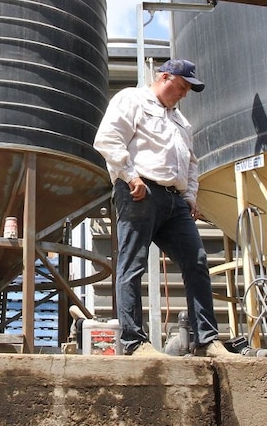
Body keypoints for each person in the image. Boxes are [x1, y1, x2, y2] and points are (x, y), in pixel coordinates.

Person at [93, 58, 234, 358]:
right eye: (181, 87)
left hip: (175, 200)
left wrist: (191, 196)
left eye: (187, 90)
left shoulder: (181, 122)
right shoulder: (132, 99)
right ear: (165, 77)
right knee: (132, 263)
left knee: (196, 261)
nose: (183, 94)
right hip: (140, 190)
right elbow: (108, 138)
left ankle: (206, 340)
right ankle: (134, 343)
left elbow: (191, 163)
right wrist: (130, 175)